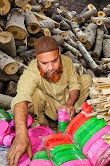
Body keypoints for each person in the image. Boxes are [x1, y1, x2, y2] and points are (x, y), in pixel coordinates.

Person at [7, 36, 92, 166]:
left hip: (67, 102)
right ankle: (42, 121)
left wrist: (69, 104)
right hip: (49, 106)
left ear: (59, 54)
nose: (51, 67)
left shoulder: (67, 61)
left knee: (86, 79)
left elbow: (74, 86)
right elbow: (20, 99)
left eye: (54, 61)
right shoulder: (32, 72)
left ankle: (70, 113)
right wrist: (21, 134)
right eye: (44, 63)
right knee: (35, 94)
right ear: (37, 60)